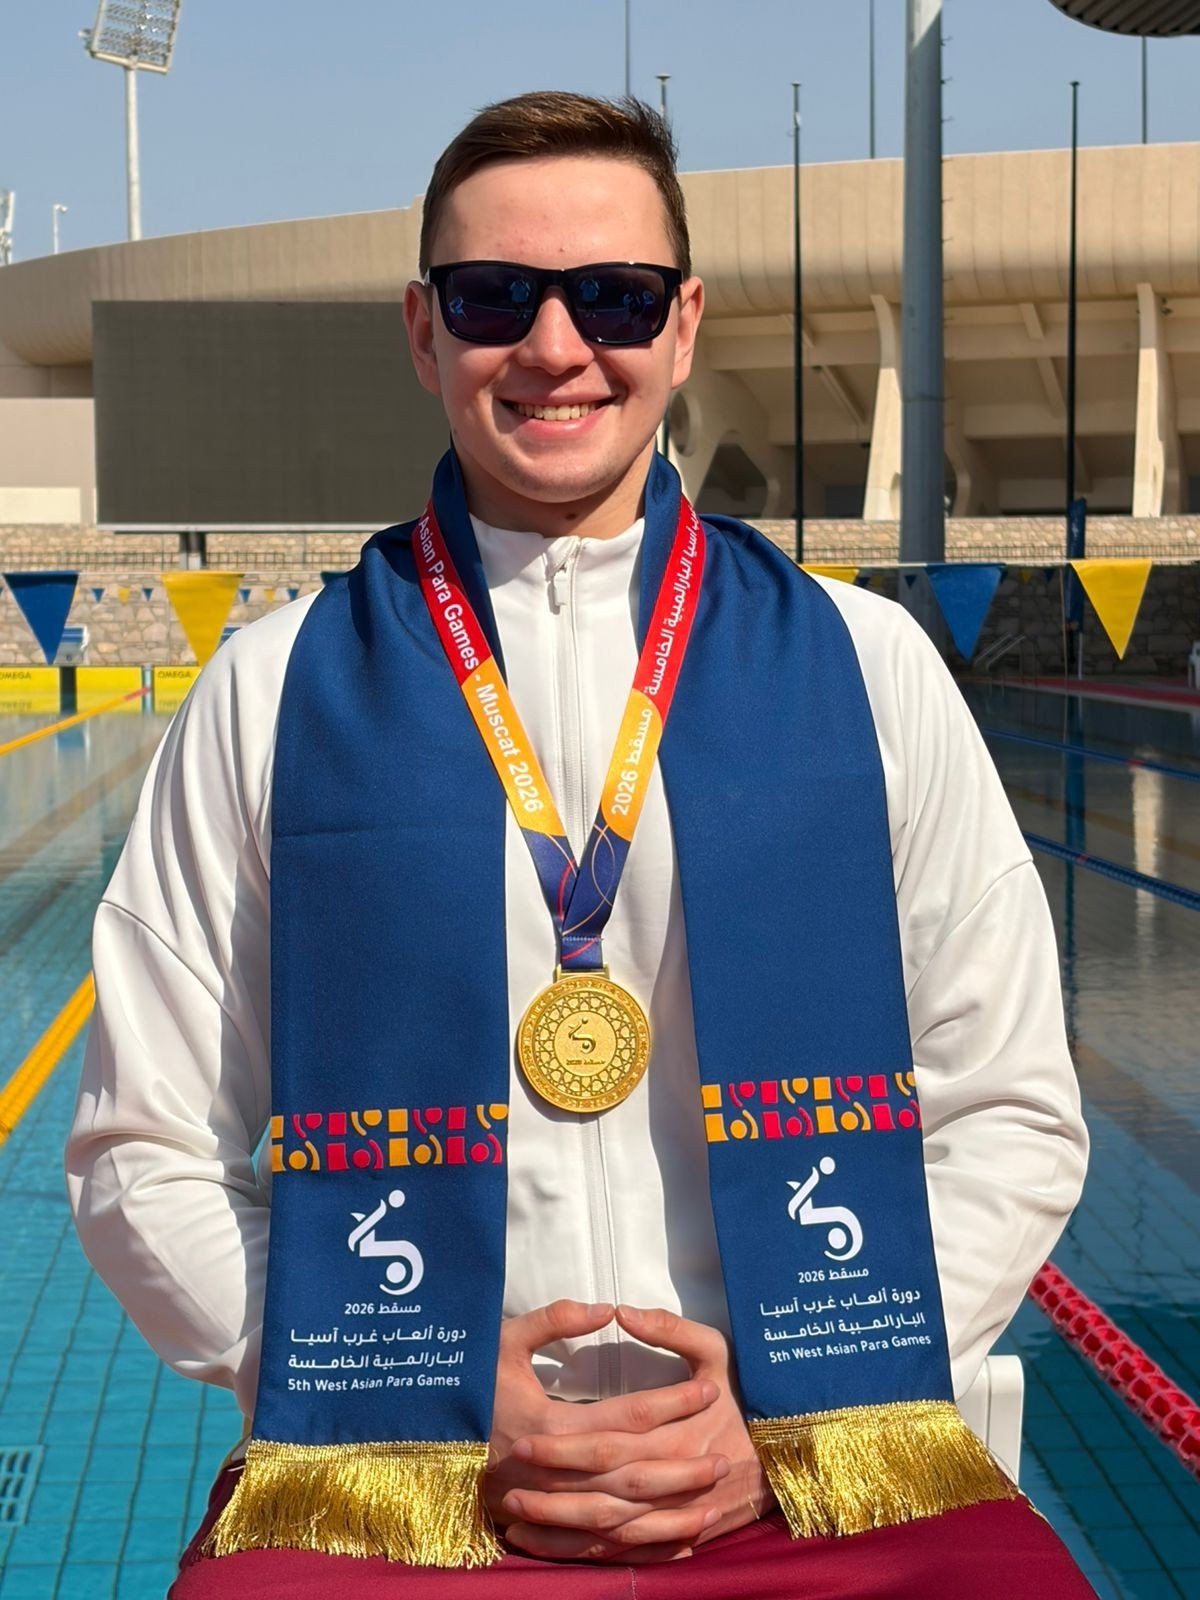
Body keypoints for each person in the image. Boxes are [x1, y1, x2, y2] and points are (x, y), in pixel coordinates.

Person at [66, 91, 1096, 1598]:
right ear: (424, 330)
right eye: (496, 297)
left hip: (802, 1451)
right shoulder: (273, 690)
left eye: (612, 296)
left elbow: (1009, 1105)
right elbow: (142, 1148)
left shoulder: (864, 666)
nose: (556, 347)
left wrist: (780, 1402)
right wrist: (427, 1382)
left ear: (682, 326)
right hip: (412, 1457)